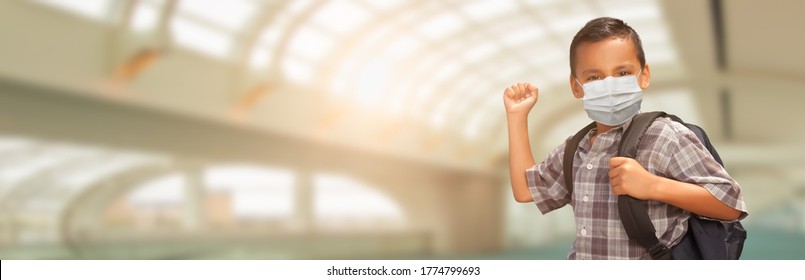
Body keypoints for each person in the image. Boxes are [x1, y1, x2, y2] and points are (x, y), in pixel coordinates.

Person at [502, 17, 747, 259]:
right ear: (576, 86)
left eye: (622, 72)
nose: (609, 85)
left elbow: (731, 204)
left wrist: (653, 186)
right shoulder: (576, 148)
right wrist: (517, 117)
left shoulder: (665, 136)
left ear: (644, 75)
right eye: (594, 77)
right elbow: (526, 191)